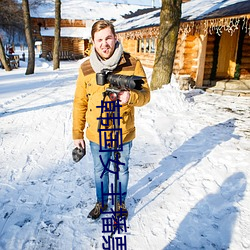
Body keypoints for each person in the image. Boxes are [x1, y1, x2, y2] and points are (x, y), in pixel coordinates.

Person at [72, 20, 150, 220]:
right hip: (97, 133)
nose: (104, 43)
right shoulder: (86, 68)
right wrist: (77, 134)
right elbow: (80, 102)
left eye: (108, 38)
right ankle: (101, 202)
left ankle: (120, 202)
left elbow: (146, 95)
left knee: (122, 169)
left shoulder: (132, 63)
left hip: (123, 131)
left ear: (115, 38)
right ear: (93, 42)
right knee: (100, 170)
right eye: (99, 40)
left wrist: (130, 97)